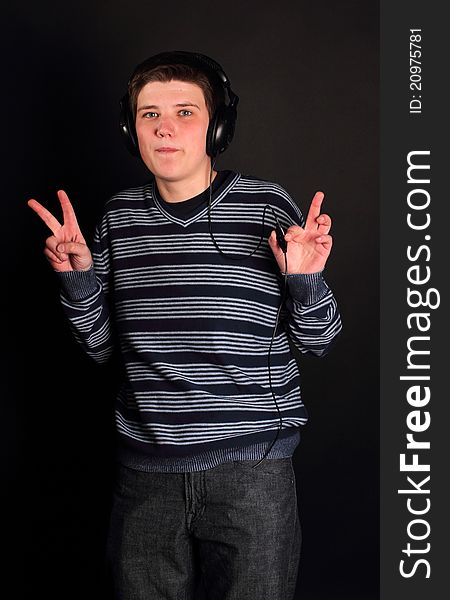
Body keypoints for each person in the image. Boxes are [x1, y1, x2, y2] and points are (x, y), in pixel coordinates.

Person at [28, 50, 342, 600]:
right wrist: (77, 280)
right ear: (132, 131)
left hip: (252, 475)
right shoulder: (116, 219)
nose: (165, 128)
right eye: (149, 115)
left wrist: (307, 281)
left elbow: (321, 339)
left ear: (216, 127)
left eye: (185, 112)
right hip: (144, 479)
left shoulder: (267, 207)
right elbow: (100, 347)